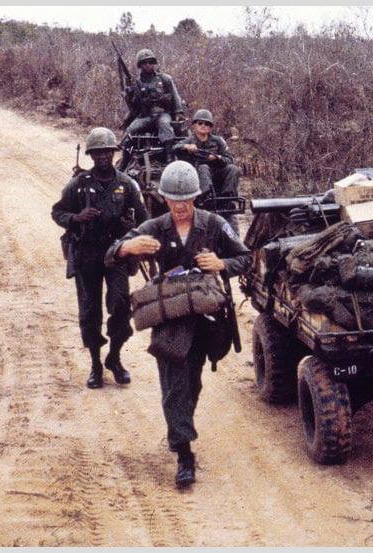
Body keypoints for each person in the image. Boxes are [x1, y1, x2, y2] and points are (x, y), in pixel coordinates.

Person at [105, 160, 251, 489]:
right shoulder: (155, 226)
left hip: (204, 316)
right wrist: (128, 247)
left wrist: (221, 263)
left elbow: (245, 257)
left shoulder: (213, 224)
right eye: (174, 200)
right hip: (170, 317)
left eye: (187, 200)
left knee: (193, 381)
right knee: (174, 385)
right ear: (164, 199)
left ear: (196, 198)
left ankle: (180, 428)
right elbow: (111, 253)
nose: (181, 207)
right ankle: (184, 453)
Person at [51, 127, 149, 389]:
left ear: (113, 154)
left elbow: (146, 220)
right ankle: (95, 363)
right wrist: (75, 219)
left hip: (117, 254)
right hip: (87, 255)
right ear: (91, 156)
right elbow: (57, 212)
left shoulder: (126, 185)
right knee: (89, 312)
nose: (104, 157)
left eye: (107, 152)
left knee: (120, 307)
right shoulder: (79, 185)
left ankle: (114, 358)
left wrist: (132, 231)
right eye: (98, 153)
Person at [173, 109, 242, 235]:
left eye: (207, 124)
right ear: (194, 125)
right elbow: (175, 148)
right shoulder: (189, 140)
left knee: (233, 169)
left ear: (210, 127)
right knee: (204, 167)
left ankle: (226, 200)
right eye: (200, 123)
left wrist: (217, 158)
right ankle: (207, 200)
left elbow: (229, 159)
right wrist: (187, 147)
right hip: (198, 179)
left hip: (217, 175)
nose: (203, 126)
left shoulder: (218, 141)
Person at [117, 48, 185, 170]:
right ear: (140, 65)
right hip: (145, 115)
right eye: (144, 63)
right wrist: (129, 89)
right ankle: (125, 160)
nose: (147, 65)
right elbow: (132, 103)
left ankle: (169, 158)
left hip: (162, 113)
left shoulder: (164, 79)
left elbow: (175, 96)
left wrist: (178, 112)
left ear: (154, 63)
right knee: (130, 131)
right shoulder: (136, 82)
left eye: (150, 62)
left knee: (166, 126)